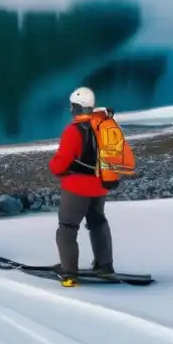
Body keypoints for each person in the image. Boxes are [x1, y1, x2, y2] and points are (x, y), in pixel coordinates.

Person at [48, 86, 115, 288]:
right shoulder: (103, 126)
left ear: (76, 107)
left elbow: (61, 162)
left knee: (67, 228)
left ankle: (69, 273)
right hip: (100, 185)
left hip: (77, 188)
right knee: (98, 223)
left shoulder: (74, 130)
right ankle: (105, 266)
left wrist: (55, 169)